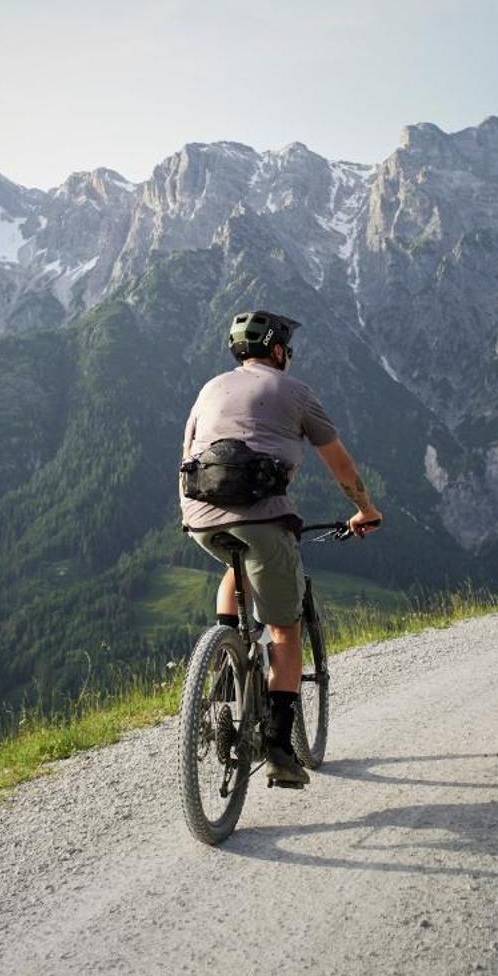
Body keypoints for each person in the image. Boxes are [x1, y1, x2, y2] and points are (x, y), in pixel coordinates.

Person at [180, 310, 381, 788]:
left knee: (237, 562)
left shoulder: (210, 388)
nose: (289, 357)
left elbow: (186, 453)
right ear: (276, 350)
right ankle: (277, 748)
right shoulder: (296, 393)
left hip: (200, 517)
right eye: (287, 349)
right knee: (284, 631)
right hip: (264, 519)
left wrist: (189, 517)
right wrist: (365, 509)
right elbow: (342, 466)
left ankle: (227, 656)